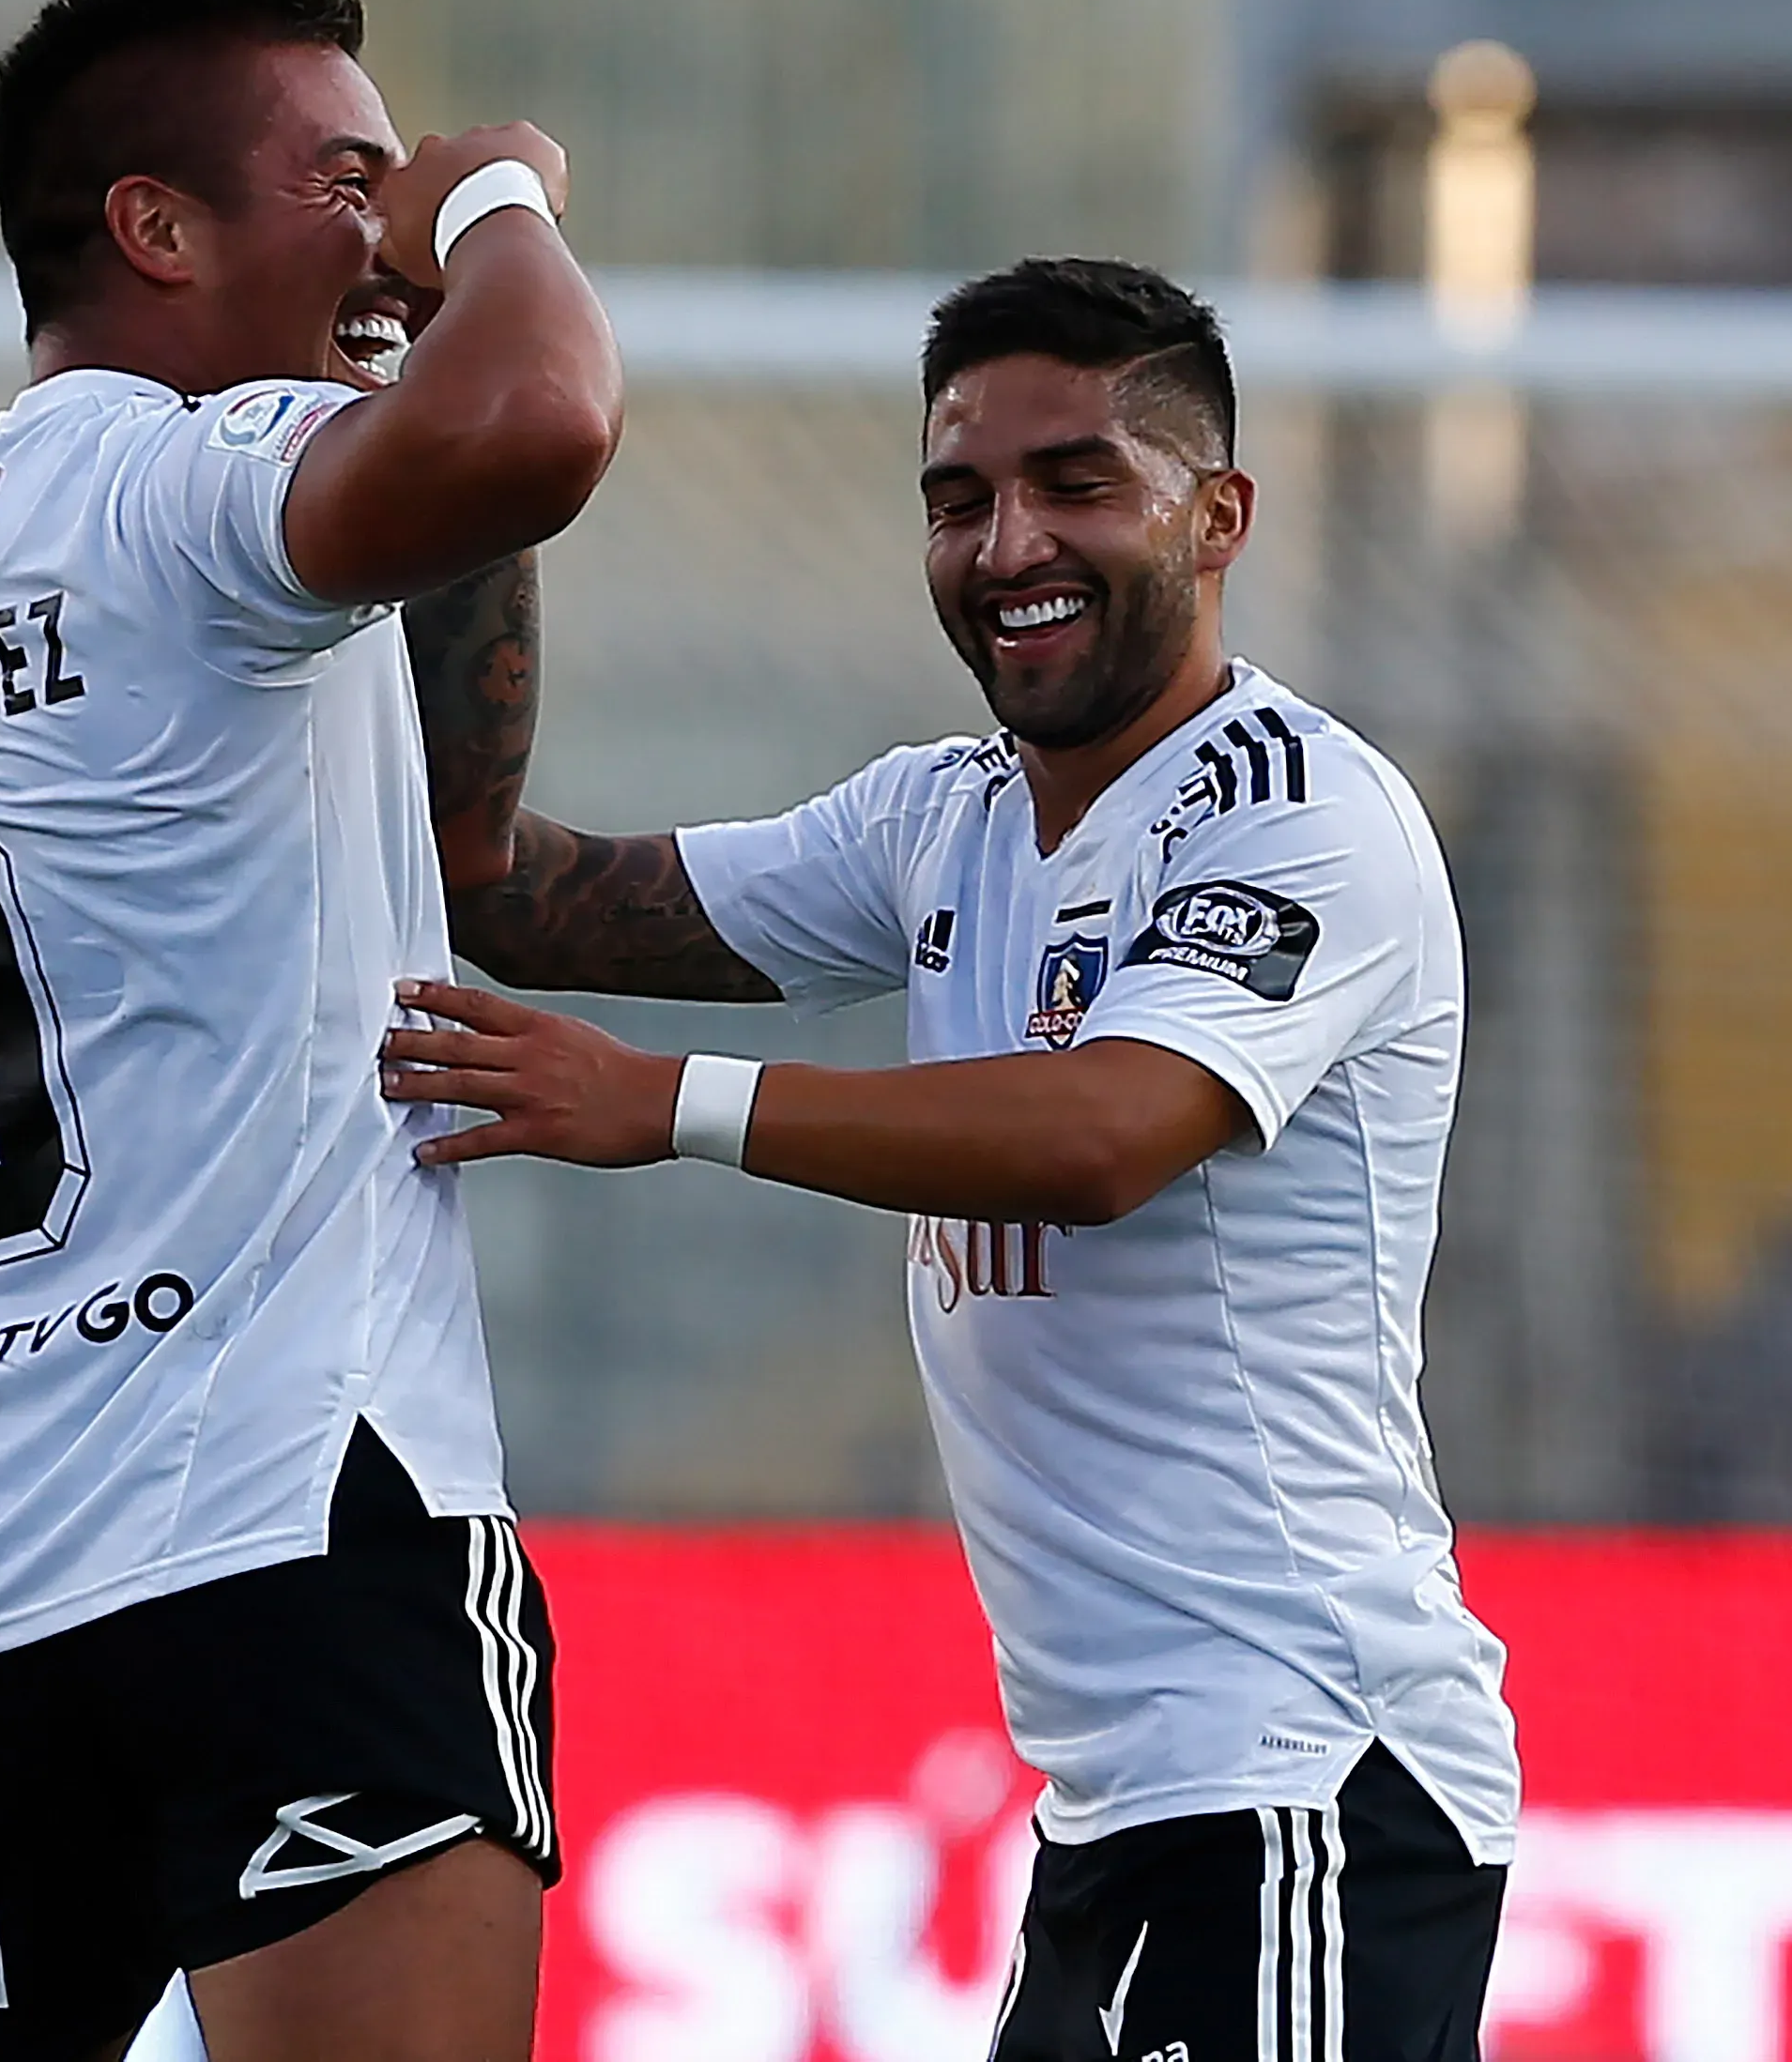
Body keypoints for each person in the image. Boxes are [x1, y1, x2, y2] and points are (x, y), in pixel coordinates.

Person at [389, 259, 1518, 2062]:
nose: (1009, 545)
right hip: (1125, 1806)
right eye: (959, 498)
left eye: (1078, 482)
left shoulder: (1310, 816)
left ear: (1217, 515)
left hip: (1309, 1771)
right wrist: (465, 429)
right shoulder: (945, 816)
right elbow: (520, 890)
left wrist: (667, 1100)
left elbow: (1099, 1133)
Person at [0, 0, 620, 2062]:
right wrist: (504, 206)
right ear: (159, 231)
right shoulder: (187, 485)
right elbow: (539, 424)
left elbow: (450, 843)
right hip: (284, 1506)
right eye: (343, 179)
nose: (387, 219)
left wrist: (406, 332)